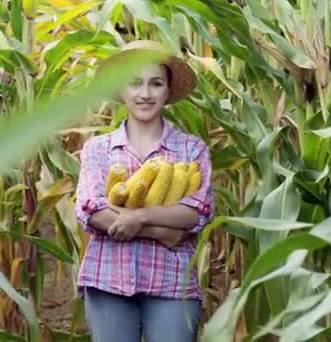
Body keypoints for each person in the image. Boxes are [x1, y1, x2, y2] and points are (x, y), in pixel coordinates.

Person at [74, 40, 215, 342]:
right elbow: (90, 209)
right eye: (135, 83)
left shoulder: (191, 149)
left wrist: (139, 218)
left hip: (172, 281)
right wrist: (164, 232)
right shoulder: (98, 149)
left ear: (167, 90)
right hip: (108, 279)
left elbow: (196, 211)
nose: (145, 93)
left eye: (156, 83)